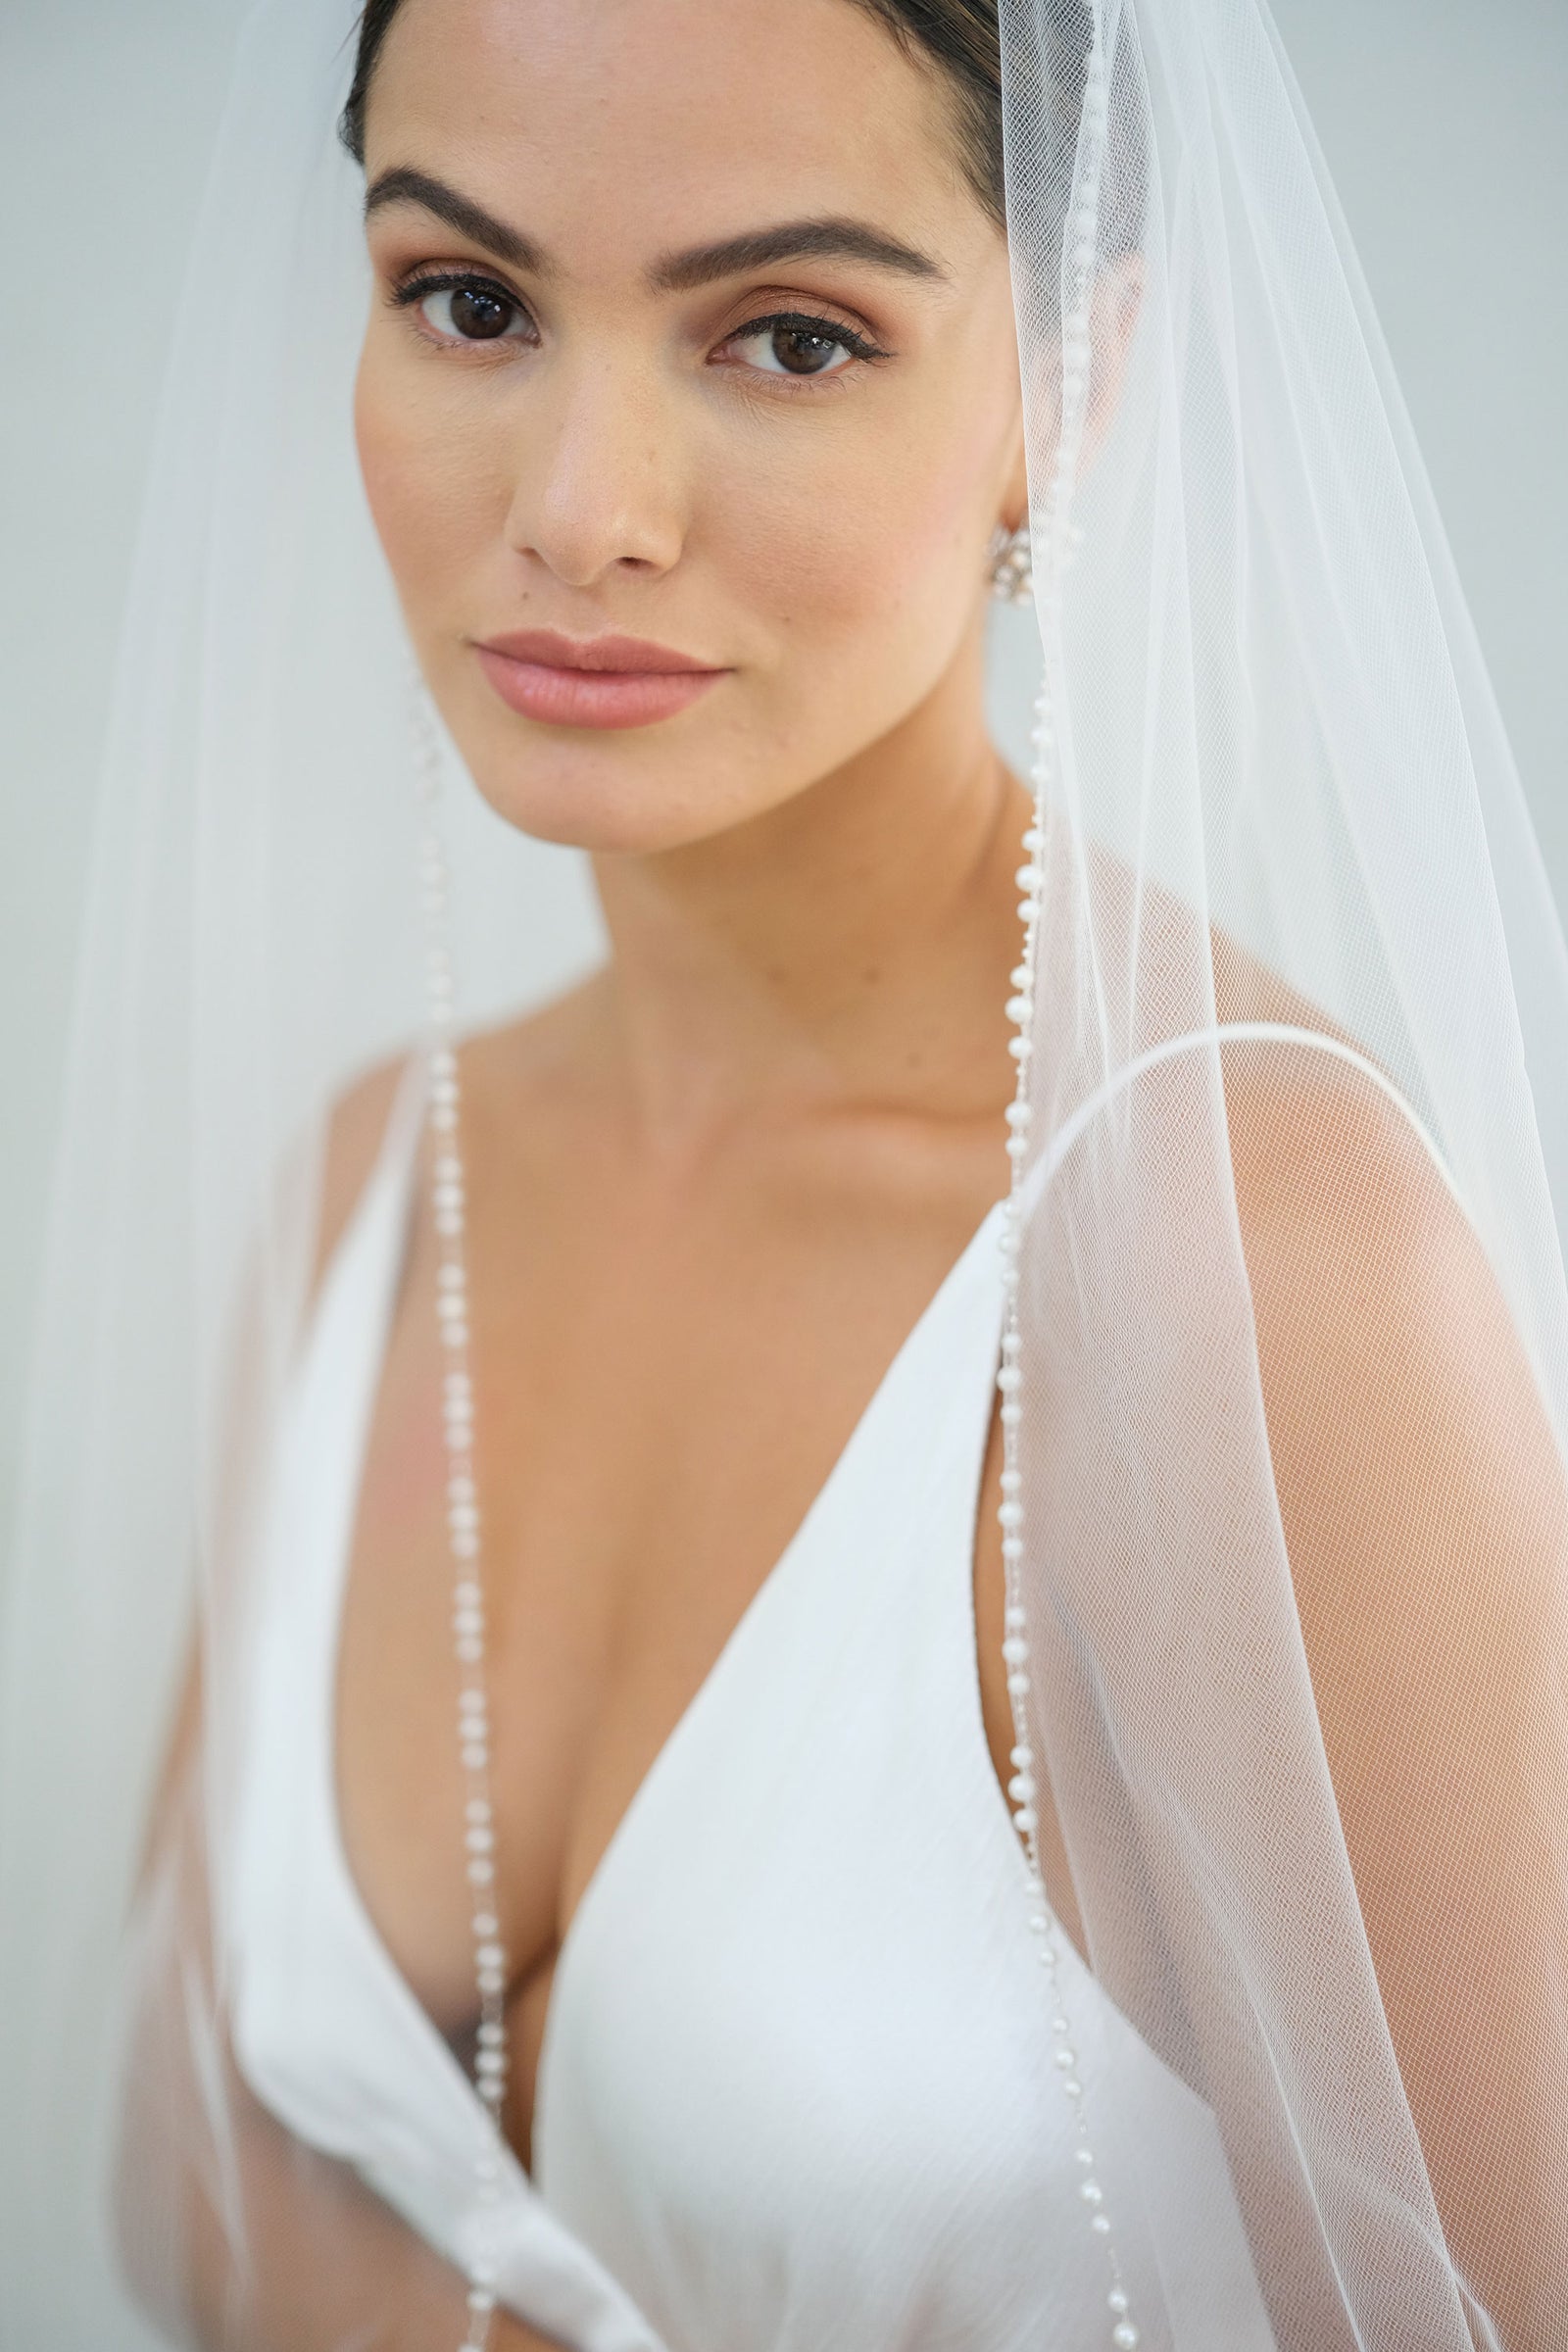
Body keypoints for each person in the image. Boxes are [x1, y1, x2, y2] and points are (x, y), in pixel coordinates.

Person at [3, 1, 1564, 2348]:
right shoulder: (374, 1194)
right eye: (470, 300)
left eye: (792, 336)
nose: (579, 507)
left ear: (1068, 383)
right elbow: (187, 2159)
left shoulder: (1241, 1277)